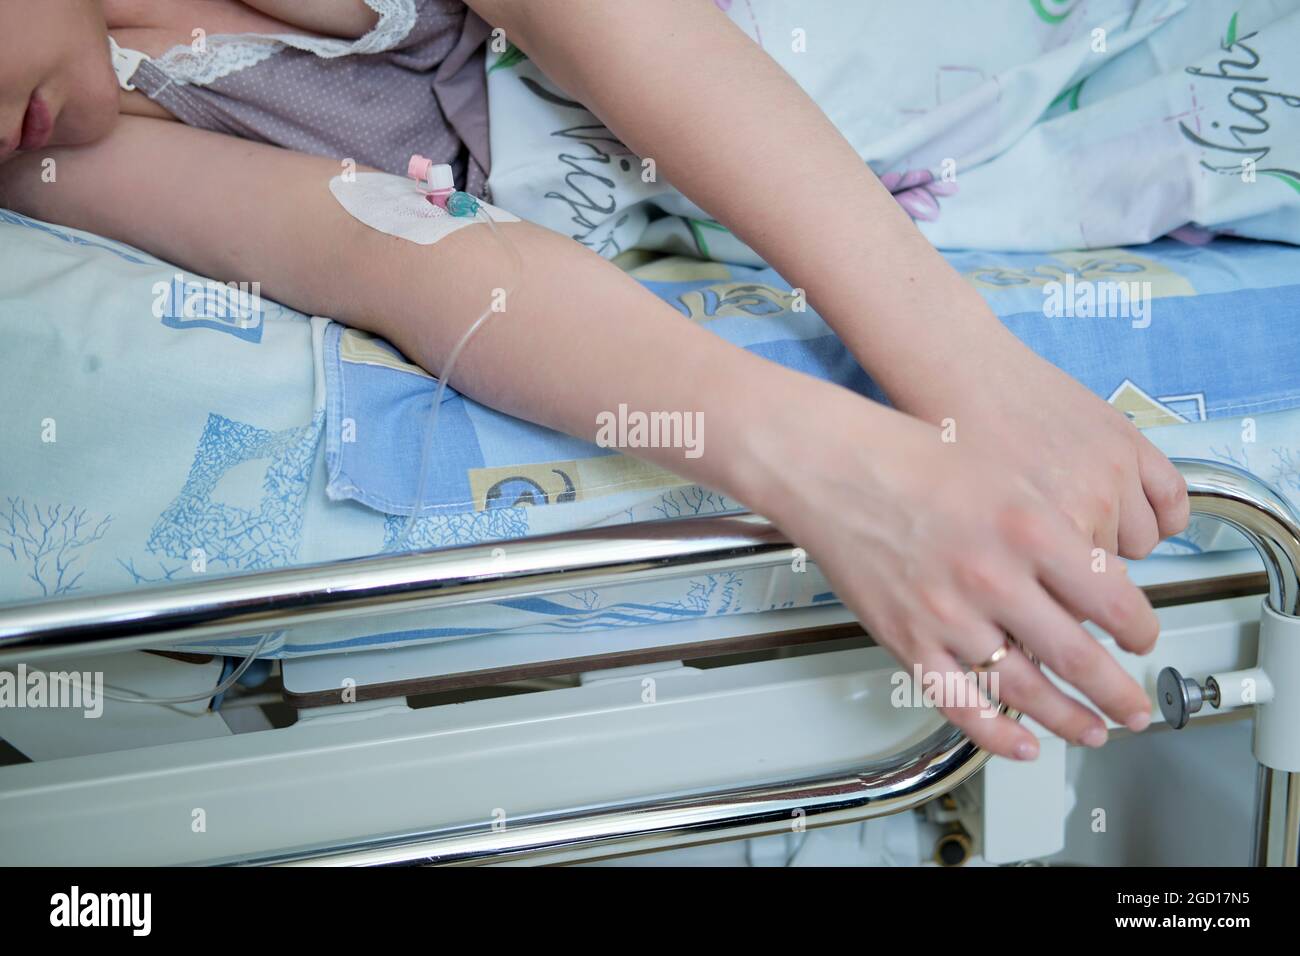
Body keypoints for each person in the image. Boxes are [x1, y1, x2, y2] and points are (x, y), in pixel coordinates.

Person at [0, 0, 1191, 760]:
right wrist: (847, 470)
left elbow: (644, 35)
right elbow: (413, 257)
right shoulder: (52, 137)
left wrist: (967, 365)